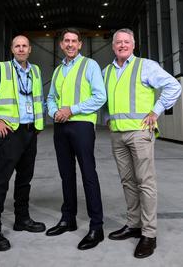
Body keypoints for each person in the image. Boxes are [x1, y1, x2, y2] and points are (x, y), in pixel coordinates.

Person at [102, 28, 181, 258]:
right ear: (113, 46)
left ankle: (149, 234)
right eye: (118, 42)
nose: (122, 45)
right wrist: (108, 119)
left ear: (133, 45)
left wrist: (156, 112)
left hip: (140, 132)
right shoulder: (107, 71)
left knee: (145, 182)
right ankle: (133, 225)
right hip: (117, 134)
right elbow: (106, 99)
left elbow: (174, 86)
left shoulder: (146, 66)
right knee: (127, 181)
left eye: (127, 42)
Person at [0, 35, 46, 252]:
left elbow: (37, 98)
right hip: (9, 133)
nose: (21, 49)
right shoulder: (1, 69)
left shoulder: (35, 71)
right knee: (2, 181)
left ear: (30, 49)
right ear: (12, 49)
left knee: (25, 179)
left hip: (29, 131)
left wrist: (38, 124)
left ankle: (22, 219)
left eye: (25, 45)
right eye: (17, 46)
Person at [45, 28, 107, 250]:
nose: (70, 44)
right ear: (61, 44)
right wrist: (54, 112)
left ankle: (96, 227)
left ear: (80, 44)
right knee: (66, 175)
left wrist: (71, 110)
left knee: (88, 174)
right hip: (61, 126)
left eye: (74, 41)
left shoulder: (89, 65)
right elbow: (51, 98)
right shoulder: (58, 70)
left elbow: (100, 96)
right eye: (66, 41)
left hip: (81, 125)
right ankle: (68, 218)